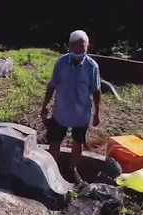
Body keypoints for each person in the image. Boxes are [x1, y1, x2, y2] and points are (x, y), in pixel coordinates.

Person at [41, 29, 101, 184]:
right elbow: (52, 85)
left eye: (83, 46)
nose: (81, 50)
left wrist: (97, 113)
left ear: (87, 46)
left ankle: (71, 169)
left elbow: (96, 90)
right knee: (54, 142)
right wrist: (45, 105)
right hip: (61, 111)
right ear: (70, 46)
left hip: (81, 113)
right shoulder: (61, 63)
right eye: (77, 46)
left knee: (78, 142)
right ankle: (51, 170)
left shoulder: (92, 66)